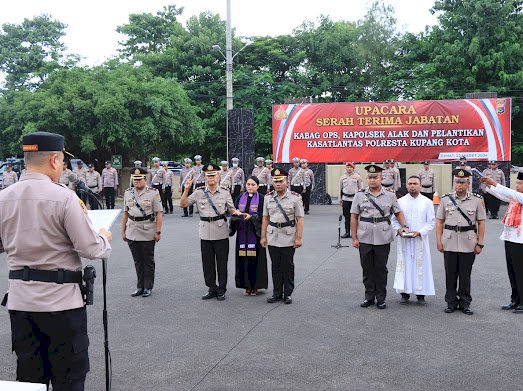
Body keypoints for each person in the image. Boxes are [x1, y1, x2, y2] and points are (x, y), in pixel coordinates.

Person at [0, 131, 112, 390]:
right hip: (61, 306)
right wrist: (104, 236)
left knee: (29, 380)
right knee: (68, 379)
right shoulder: (64, 197)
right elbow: (91, 248)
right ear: (54, 160)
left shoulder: (4, 197)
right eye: (62, 161)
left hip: (21, 304)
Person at [180, 164, 240, 301]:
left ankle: (221, 289)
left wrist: (240, 213)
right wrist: (186, 189)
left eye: (213, 175)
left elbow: (232, 210)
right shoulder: (199, 192)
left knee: (221, 262)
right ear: (205, 177)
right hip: (205, 231)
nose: (211, 178)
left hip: (220, 231)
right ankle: (211, 287)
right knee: (207, 263)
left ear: (218, 177)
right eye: (208, 175)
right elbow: (183, 204)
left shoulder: (225, 192)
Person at [351, 164, 408, 309]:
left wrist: (404, 226)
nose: (372, 180)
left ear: (381, 178)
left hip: (383, 236)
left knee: (381, 268)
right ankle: (369, 296)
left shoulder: (390, 195)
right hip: (364, 236)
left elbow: (398, 212)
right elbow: (354, 217)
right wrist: (354, 238)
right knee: (367, 268)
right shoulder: (360, 195)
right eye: (370, 178)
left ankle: (381, 298)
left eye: (375, 177)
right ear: (367, 179)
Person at [436, 168, 486, 315]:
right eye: (456, 182)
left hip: (468, 242)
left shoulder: (477, 200)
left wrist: (480, 243)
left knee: (465, 275)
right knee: (450, 274)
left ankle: (465, 302)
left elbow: (481, 223)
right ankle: (450, 302)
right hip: (449, 241)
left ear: (468, 183)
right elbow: (439, 222)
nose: (458, 185)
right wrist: (438, 241)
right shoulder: (445, 199)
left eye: (462, 182)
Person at [261, 168, 304, 304]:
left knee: (287, 265)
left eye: (281, 181)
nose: (278, 184)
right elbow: (265, 218)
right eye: (275, 181)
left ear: (286, 182)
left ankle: (288, 293)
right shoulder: (268, 198)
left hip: (288, 236)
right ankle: (277, 292)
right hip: (273, 235)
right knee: (275, 266)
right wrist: (263, 236)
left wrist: (298, 238)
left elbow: (300, 219)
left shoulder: (295, 198)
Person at [482, 172, 523, 313]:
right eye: (516, 183)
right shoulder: (515, 198)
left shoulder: (519, 197)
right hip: (510, 238)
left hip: (521, 241)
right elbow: (503, 195)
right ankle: (515, 299)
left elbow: (511, 194)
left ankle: (522, 302)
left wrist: (494, 183)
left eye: (520, 184)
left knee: (520, 272)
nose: (517, 186)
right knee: (512, 271)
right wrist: (489, 186)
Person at [392, 176, 436, 305]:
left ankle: (420, 294)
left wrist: (420, 232)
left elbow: (431, 221)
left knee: (421, 265)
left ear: (420, 185)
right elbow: (394, 220)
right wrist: (399, 230)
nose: (412, 186)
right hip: (404, 240)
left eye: (415, 183)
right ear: (407, 186)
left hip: (420, 240)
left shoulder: (427, 202)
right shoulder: (400, 202)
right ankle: (404, 293)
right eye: (410, 183)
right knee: (404, 264)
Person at [122, 167, 163, 297]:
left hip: (147, 230)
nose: (137, 182)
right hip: (132, 230)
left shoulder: (153, 193)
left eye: (139, 179)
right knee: (137, 261)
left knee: (148, 260)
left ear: (145, 179)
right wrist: (123, 231)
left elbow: (159, 213)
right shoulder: (128, 193)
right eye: (135, 179)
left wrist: (158, 231)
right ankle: (140, 286)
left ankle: (148, 286)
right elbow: (125, 214)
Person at [230, 176, 268, 295]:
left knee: (255, 260)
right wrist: (236, 215)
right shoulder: (240, 197)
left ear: (257, 186)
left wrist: (252, 217)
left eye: (253, 185)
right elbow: (233, 211)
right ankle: (246, 285)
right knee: (243, 259)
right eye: (248, 184)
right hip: (242, 234)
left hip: (255, 234)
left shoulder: (262, 199)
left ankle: (255, 286)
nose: (250, 186)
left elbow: (265, 215)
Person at [339, 162, 362, 238]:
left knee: (355, 216)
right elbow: (340, 189)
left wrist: (361, 200)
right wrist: (340, 200)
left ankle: (355, 233)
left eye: (350, 167)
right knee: (347, 216)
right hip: (345, 199)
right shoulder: (342, 177)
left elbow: (361, 189)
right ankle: (347, 232)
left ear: (353, 168)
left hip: (355, 199)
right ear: (346, 168)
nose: (349, 169)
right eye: (348, 167)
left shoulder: (357, 177)